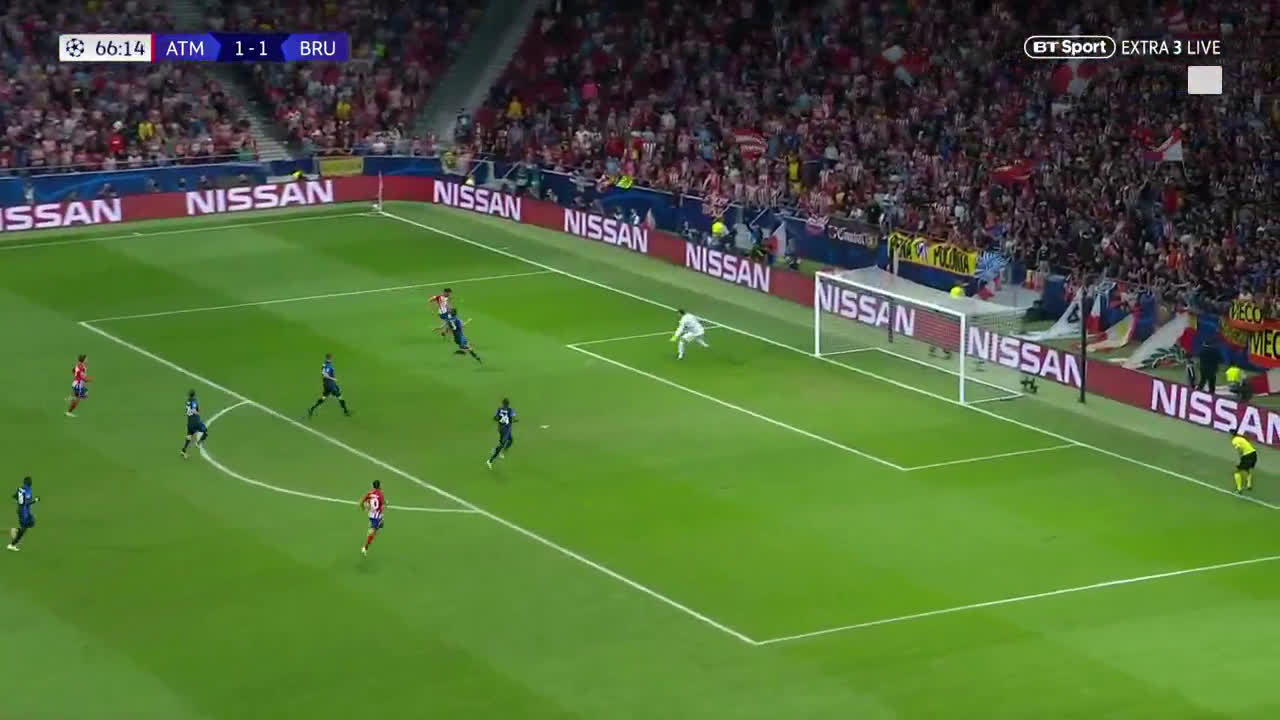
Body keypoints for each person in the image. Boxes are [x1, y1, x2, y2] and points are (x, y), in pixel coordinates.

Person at [307, 354, 351, 418]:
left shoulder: (324, 364)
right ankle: (346, 411)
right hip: (330, 385)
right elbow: (325, 375)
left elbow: (323, 373)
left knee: (324, 397)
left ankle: (312, 409)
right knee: (339, 397)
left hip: (327, 384)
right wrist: (333, 379)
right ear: (330, 358)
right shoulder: (328, 366)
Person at [8, 477, 37, 552]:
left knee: (32, 522)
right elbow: (27, 503)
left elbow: (14, 496)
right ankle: (12, 545)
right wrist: (35, 500)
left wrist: (18, 502)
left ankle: (17, 531)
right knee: (24, 529)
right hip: (24, 512)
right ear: (30, 483)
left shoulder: (20, 488)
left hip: (21, 510)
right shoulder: (28, 490)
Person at [487, 398, 516, 468]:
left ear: (503, 404)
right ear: (508, 404)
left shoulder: (499, 409)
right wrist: (514, 420)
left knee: (510, 440)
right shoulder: (510, 410)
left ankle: (501, 452)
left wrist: (500, 420)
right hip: (506, 429)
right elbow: (513, 419)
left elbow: (494, 418)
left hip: (500, 428)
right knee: (502, 444)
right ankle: (490, 460)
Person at [360, 480, 385, 555]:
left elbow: (361, 502)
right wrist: (381, 515)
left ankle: (372, 529)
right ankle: (365, 548)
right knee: (373, 533)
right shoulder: (381, 495)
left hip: (371, 515)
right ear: (379, 486)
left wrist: (364, 508)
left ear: (372, 485)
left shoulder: (369, 494)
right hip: (377, 517)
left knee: (376, 529)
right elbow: (382, 507)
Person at [181, 390, 208, 458]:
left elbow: (189, 410)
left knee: (189, 437)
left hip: (190, 422)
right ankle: (198, 443)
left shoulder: (187, 402)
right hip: (196, 422)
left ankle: (183, 451)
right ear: (194, 395)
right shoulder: (194, 401)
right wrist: (198, 413)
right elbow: (194, 410)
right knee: (205, 432)